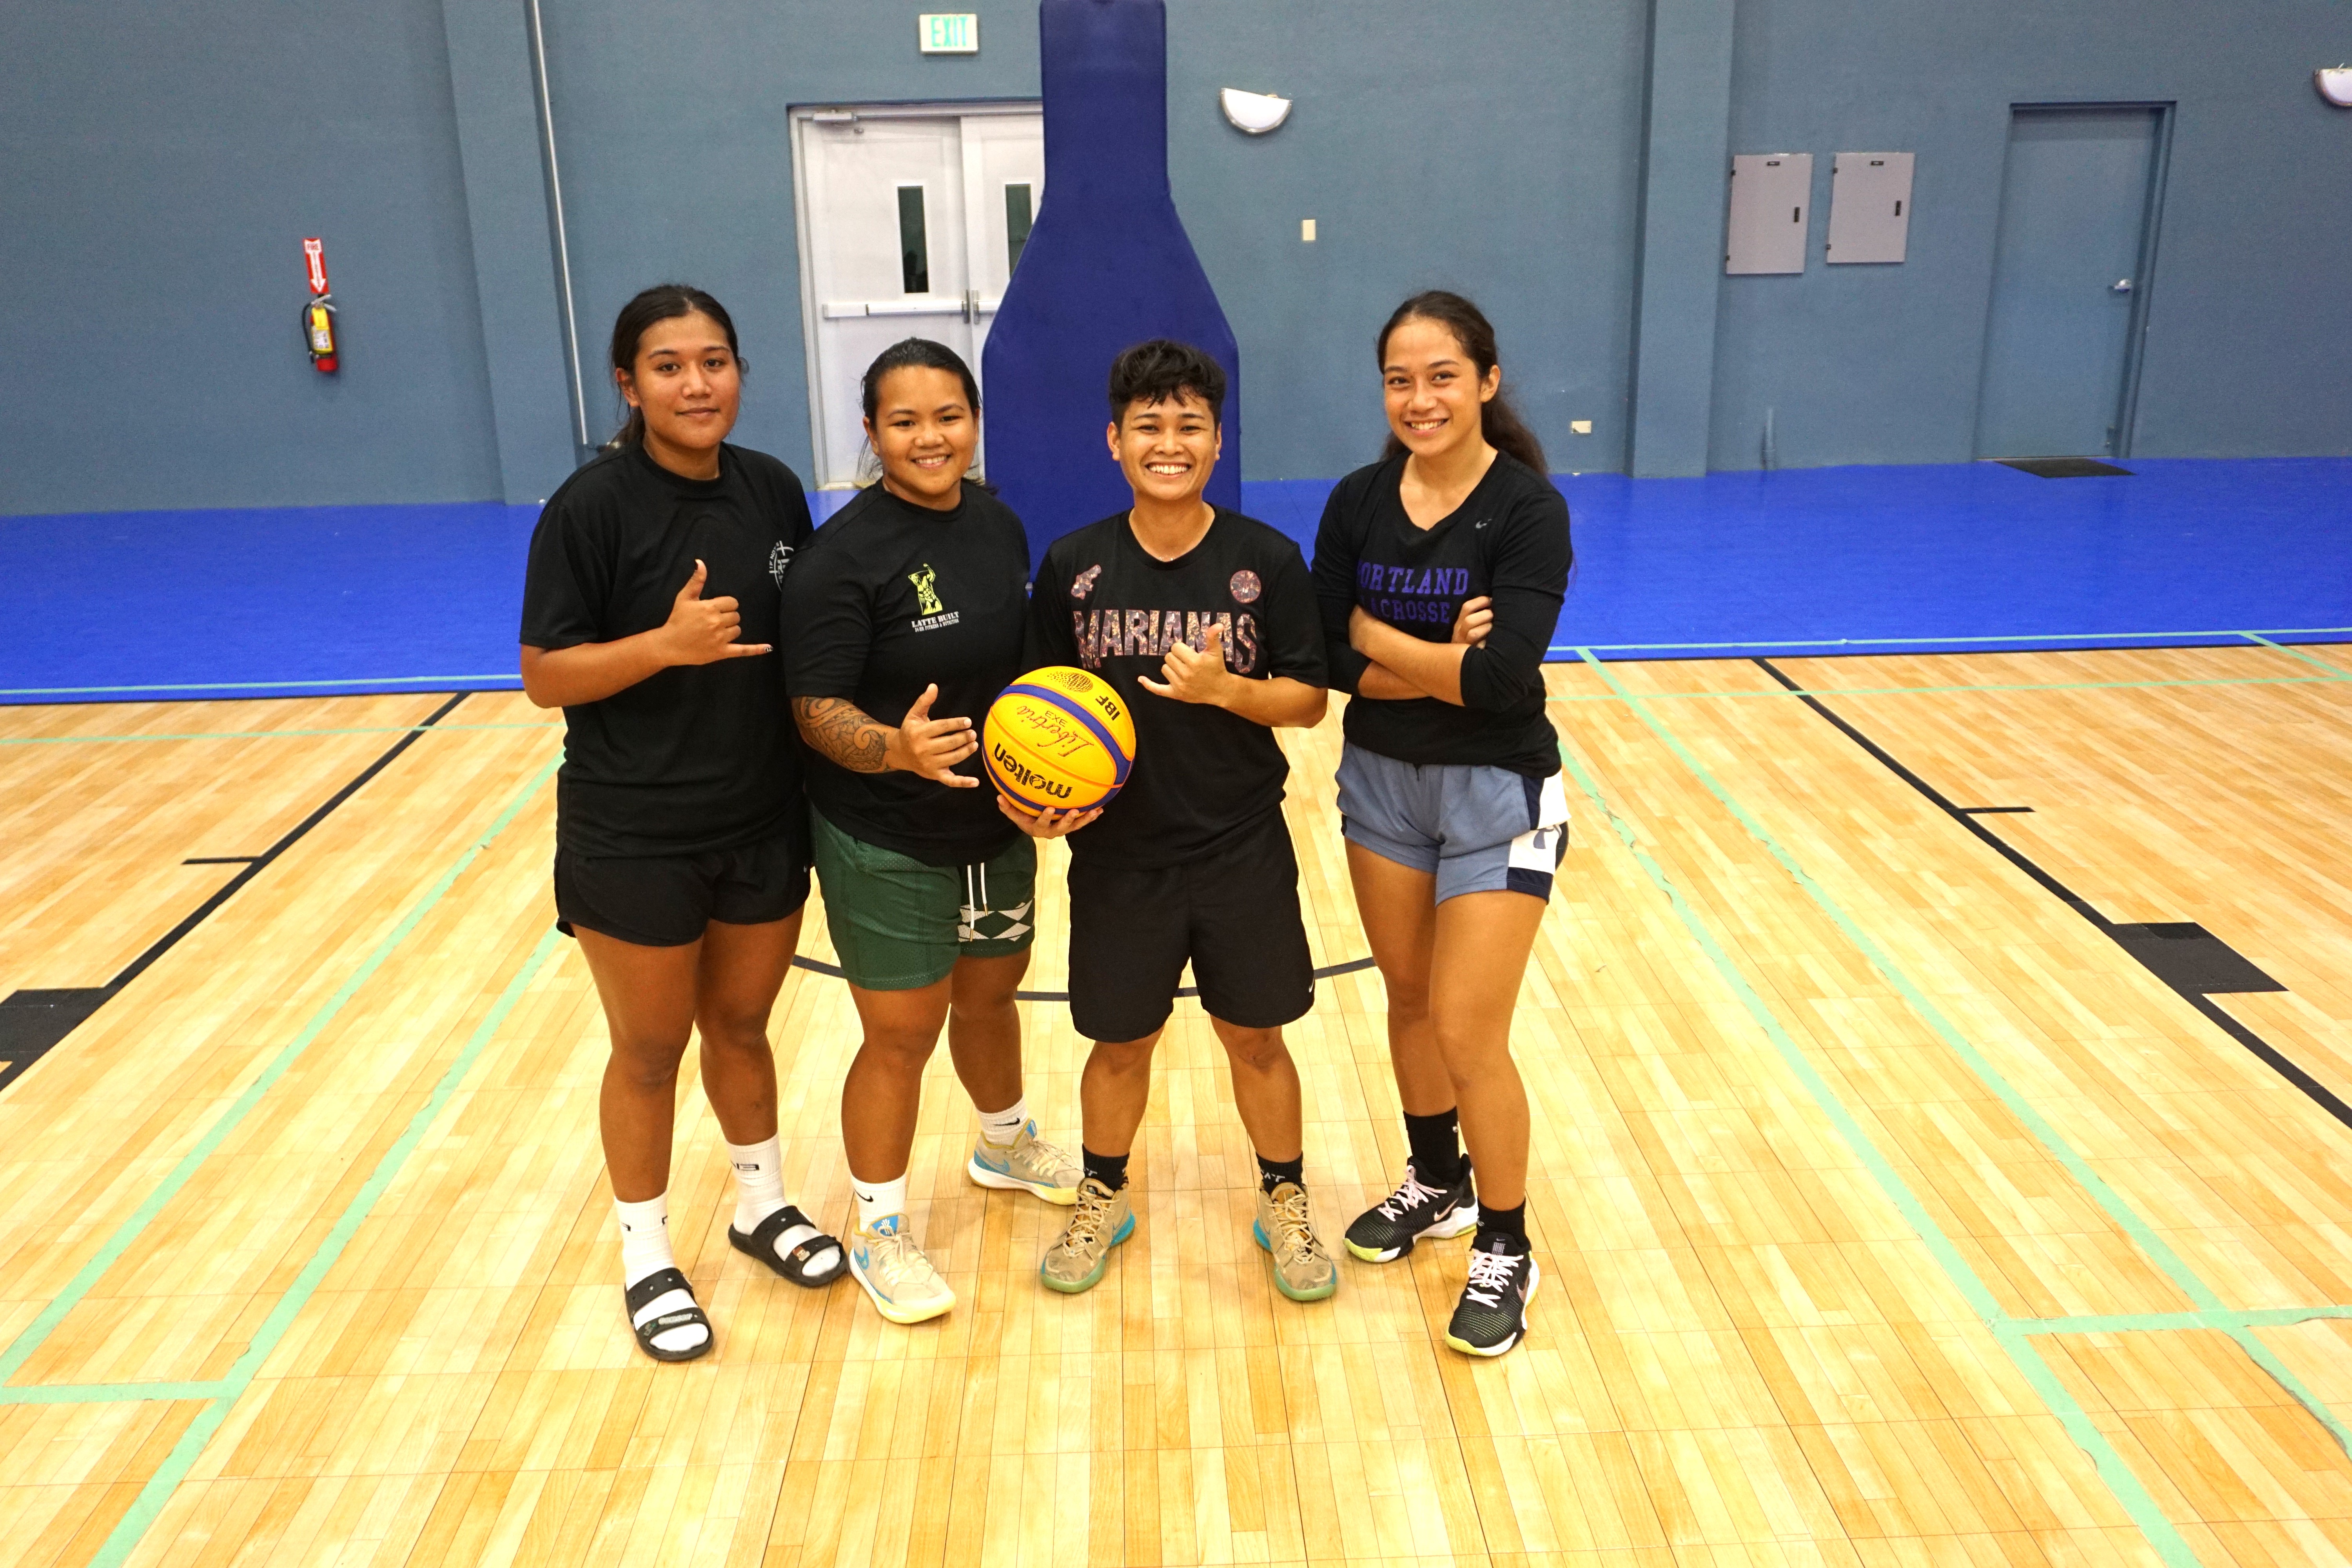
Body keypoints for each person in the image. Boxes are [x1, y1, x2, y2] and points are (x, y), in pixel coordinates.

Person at [519, 283, 841, 1365]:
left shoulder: (774, 491)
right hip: (634, 830)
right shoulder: (592, 507)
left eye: (715, 360)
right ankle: (648, 1253)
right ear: (629, 384)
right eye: (669, 365)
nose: (696, 383)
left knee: (743, 1028)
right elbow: (544, 676)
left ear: (741, 371)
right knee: (650, 1048)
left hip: (759, 817)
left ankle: (761, 1208)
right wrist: (662, 645)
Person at [1024, 340, 1338, 1301]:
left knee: (1257, 1037)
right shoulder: (1074, 565)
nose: (1170, 442)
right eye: (1149, 426)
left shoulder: (1266, 560)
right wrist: (1034, 796)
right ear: (1114, 442)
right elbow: (1033, 704)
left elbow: (1310, 700)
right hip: (1119, 853)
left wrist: (1227, 691)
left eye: (1189, 425)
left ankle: (1284, 1198)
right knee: (1119, 1042)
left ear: (1216, 439)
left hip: (1239, 843)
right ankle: (1102, 1195)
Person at [784, 338, 1083, 1327]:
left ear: (974, 422)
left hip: (989, 821)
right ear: (871, 434)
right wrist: (896, 750)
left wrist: (1040, 781)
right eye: (904, 421)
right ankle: (876, 1226)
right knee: (901, 1033)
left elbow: (1025, 678)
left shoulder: (996, 522)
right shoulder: (842, 558)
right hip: (885, 832)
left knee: (992, 996)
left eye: (947, 415)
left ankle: (1001, 1141)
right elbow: (814, 709)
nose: (929, 437)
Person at [1310, 290, 1572, 1357]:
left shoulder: (1526, 511)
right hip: (1379, 785)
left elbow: (1506, 681)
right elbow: (1325, 659)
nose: (1419, 399)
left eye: (1442, 377)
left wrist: (1387, 641)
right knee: (1410, 1003)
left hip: (1496, 795)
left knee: (1469, 1029)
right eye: (1400, 380)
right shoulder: (1359, 500)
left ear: (1487, 381)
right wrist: (1441, 665)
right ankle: (1436, 1182)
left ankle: (1506, 1244)